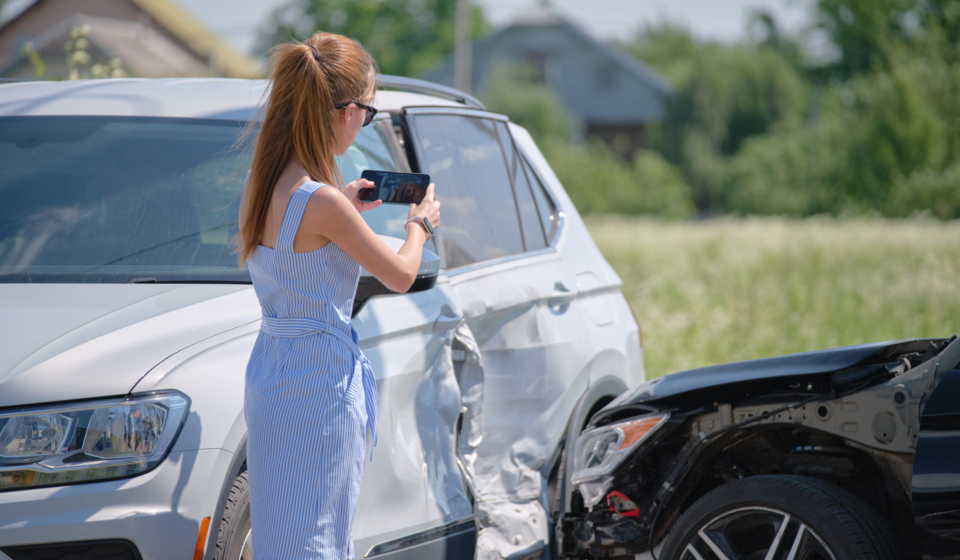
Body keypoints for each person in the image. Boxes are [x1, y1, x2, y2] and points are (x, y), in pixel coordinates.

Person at [235, 32, 440, 559]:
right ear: (346, 111)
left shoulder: (264, 183)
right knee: (323, 535)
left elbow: (296, 250)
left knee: (284, 536)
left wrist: (345, 209)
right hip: (319, 381)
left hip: (272, 371)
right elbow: (399, 274)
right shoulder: (322, 201)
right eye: (368, 113)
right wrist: (420, 227)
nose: (365, 122)